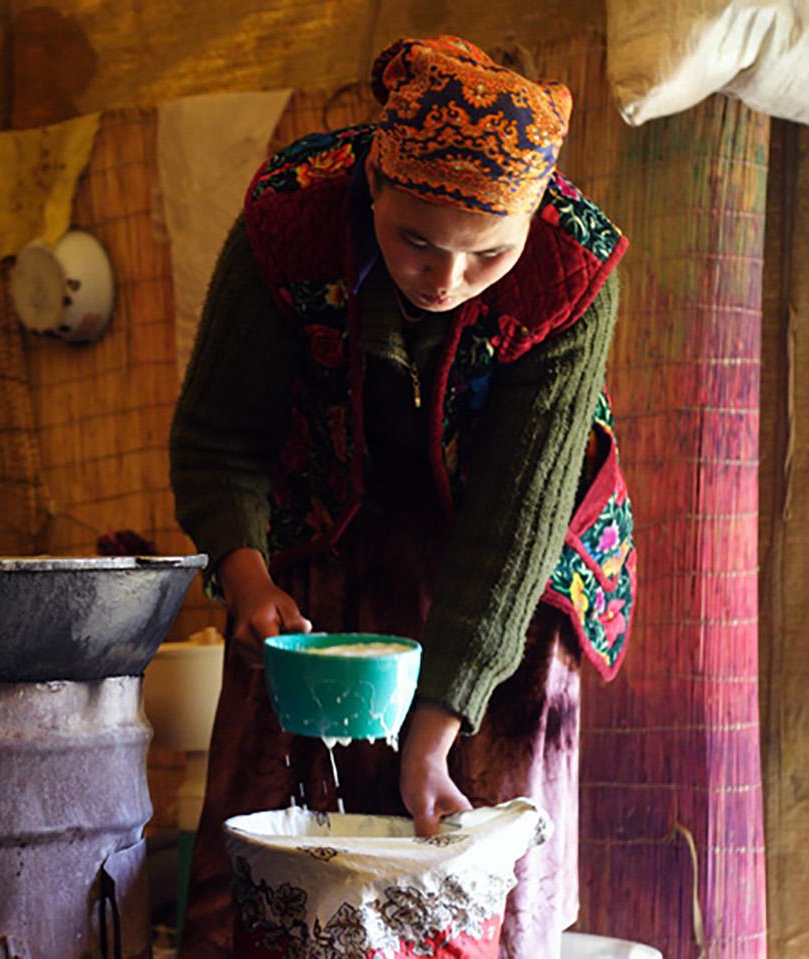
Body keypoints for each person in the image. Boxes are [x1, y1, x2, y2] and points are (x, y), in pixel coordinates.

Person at [169, 36, 637, 958]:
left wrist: (436, 729)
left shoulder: (568, 269)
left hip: (517, 536)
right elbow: (219, 435)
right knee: (277, 763)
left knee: (476, 805)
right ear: (371, 190)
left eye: (485, 254)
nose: (447, 277)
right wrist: (249, 576)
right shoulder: (292, 215)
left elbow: (511, 531)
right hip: (331, 494)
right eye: (416, 240)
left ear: (531, 221)